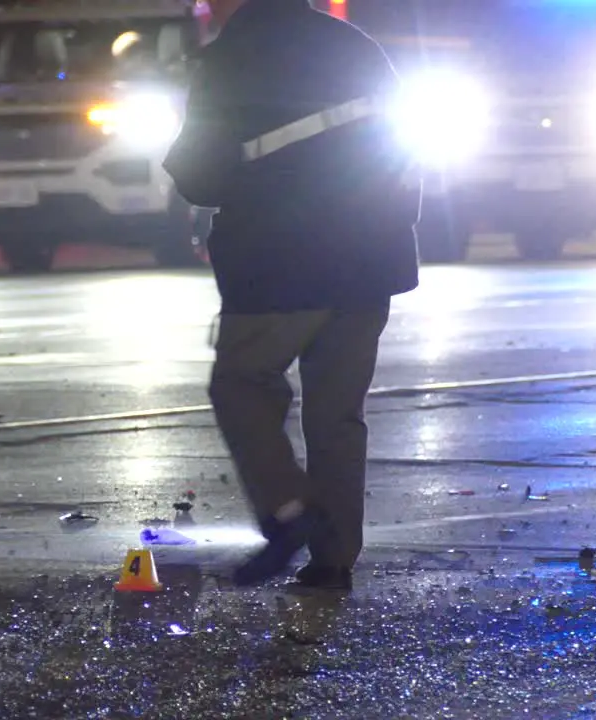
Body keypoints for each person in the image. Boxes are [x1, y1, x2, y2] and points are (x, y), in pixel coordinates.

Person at [163, 0, 421, 590]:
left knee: (241, 384)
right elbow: (405, 147)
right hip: (370, 257)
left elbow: (199, 172)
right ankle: (332, 561)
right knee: (336, 414)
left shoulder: (233, 57)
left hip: (281, 259)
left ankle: (288, 510)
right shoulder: (356, 45)